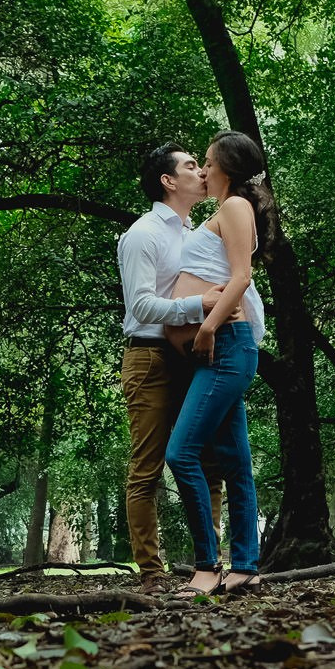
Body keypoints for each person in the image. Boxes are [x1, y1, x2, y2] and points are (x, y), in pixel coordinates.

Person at [116, 144, 224, 593]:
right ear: (168, 181)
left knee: (210, 460)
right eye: (191, 166)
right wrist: (199, 303)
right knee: (148, 469)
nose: (201, 171)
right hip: (150, 357)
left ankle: (210, 563)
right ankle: (152, 574)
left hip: (193, 357)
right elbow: (139, 305)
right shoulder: (143, 234)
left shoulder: (195, 232)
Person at [165, 129, 268, 596]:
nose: (203, 170)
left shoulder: (234, 206)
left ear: (226, 166)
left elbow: (241, 277)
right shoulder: (224, 211)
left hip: (224, 345)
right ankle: (246, 565)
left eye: (207, 162)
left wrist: (205, 328)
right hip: (220, 347)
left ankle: (207, 566)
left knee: (180, 452)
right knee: (235, 462)